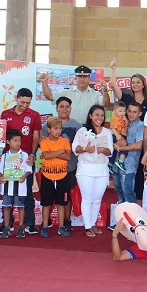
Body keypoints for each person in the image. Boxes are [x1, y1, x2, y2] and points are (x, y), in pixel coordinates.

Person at [109, 59, 147, 205]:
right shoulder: (127, 98)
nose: (135, 84)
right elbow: (114, 85)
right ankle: (126, 205)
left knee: (138, 175)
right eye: (133, 82)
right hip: (125, 138)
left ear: (143, 84)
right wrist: (113, 69)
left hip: (142, 142)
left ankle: (138, 206)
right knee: (122, 175)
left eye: (138, 82)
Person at [0, 88, 42, 235]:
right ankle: (7, 224)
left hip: (25, 160)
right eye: (22, 102)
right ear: (16, 98)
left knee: (27, 193)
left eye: (28, 103)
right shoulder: (5, 114)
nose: (25, 105)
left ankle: (29, 224)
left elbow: (36, 137)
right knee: (7, 193)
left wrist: (32, 154)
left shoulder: (34, 115)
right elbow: (0, 135)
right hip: (8, 161)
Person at [40, 97, 82, 231]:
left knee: (66, 197)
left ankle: (66, 221)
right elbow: (44, 147)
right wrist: (60, 151)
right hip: (49, 170)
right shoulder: (46, 125)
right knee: (48, 197)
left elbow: (75, 149)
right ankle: (46, 222)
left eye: (67, 106)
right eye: (61, 106)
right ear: (56, 108)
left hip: (70, 168)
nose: (64, 109)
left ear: (70, 108)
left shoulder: (77, 125)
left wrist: (54, 153)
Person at [73, 105, 113, 237]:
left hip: (102, 171)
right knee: (87, 199)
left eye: (102, 115)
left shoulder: (107, 132)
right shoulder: (82, 131)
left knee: (97, 199)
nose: (99, 118)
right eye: (96, 115)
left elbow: (110, 151)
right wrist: (85, 149)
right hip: (85, 170)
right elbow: (75, 148)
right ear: (90, 116)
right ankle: (87, 226)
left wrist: (98, 149)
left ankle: (93, 223)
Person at [39, 65, 110, 124]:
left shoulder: (96, 94)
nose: (82, 79)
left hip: (88, 129)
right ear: (76, 78)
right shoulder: (66, 93)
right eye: (79, 77)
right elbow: (50, 96)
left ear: (89, 78)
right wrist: (44, 83)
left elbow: (105, 103)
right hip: (70, 127)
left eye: (84, 77)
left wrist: (104, 90)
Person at [39, 117, 72, 238]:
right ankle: (45, 227)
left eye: (60, 128)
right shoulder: (44, 142)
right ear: (48, 130)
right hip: (47, 176)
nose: (58, 131)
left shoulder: (64, 141)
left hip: (62, 176)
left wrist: (53, 153)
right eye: (55, 128)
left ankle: (61, 227)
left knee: (61, 203)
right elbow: (46, 156)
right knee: (46, 203)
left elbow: (68, 157)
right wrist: (60, 151)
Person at [0, 129, 32, 239]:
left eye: (19, 141)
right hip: (7, 186)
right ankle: (6, 227)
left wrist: (24, 177)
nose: (18, 143)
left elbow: (28, 170)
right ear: (8, 142)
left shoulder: (24, 155)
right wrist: (1, 177)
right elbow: (0, 171)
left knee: (20, 207)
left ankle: (21, 228)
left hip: (20, 186)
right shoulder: (4, 156)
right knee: (6, 207)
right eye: (15, 140)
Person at [112, 102, 144, 204]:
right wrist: (115, 144)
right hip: (116, 164)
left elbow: (139, 145)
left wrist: (121, 148)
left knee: (128, 194)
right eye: (129, 111)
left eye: (134, 112)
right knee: (119, 194)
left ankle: (130, 214)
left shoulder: (140, 125)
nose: (131, 114)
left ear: (139, 114)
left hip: (128, 167)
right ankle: (122, 213)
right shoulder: (123, 122)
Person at [109, 100, 128, 173]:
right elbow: (113, 128)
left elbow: (127, 124)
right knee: (125, 146)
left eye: (124, 111)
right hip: (117, 135)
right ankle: (120, 161)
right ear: (114, 111)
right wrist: (117, 135)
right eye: (120, 111)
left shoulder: (123, 118)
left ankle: (111, 164)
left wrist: (125, 119)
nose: (122, 113)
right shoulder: (115, 118)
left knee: (115, 151)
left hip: (122, 135)